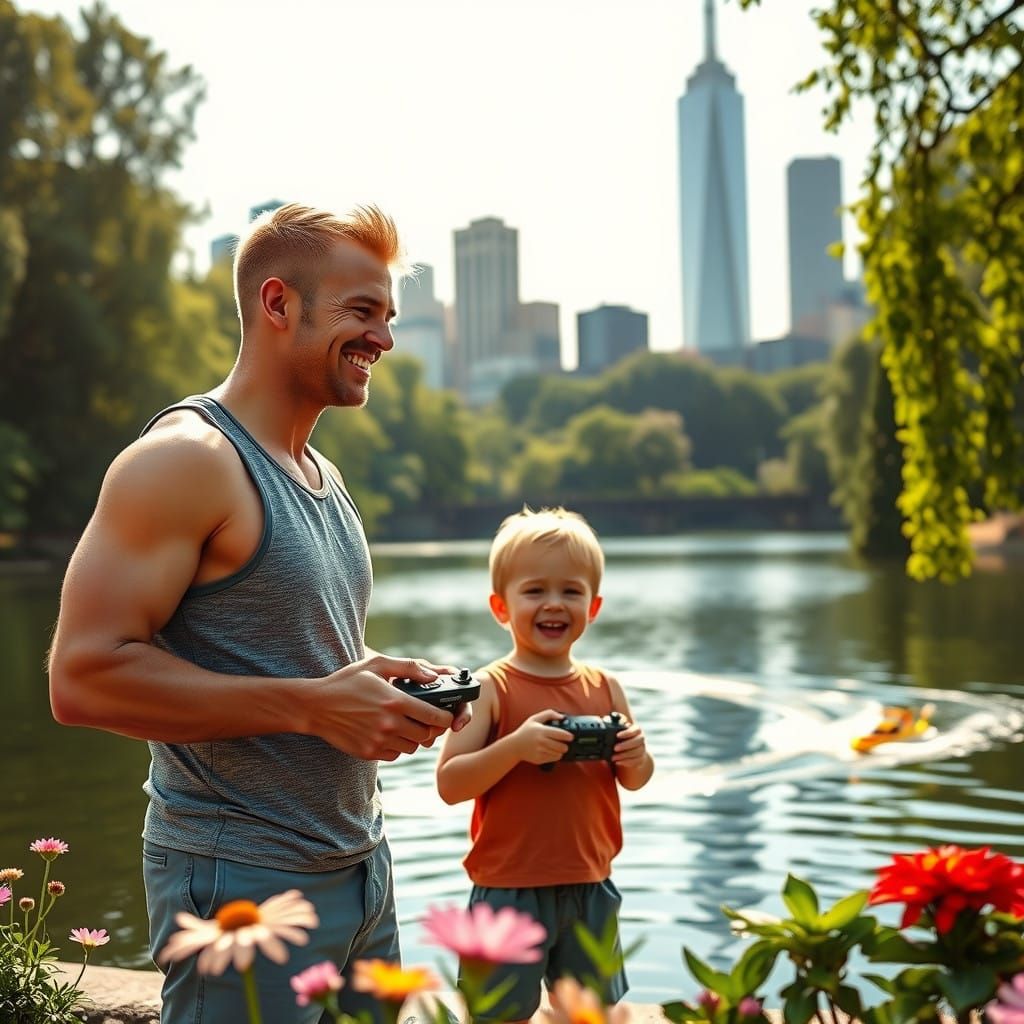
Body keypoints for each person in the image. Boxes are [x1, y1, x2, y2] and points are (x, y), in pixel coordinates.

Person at [47, 202, 471, 1024]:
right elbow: (82, 677)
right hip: (242, 887)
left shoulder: (321, 474)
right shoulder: (185, 461)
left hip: (359, 873)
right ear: (278, 305)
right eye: (361, 313)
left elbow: (284, 655)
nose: (383, 338)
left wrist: (371, 681)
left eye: (388, 316)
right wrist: (316, 706)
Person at [436, 506, 654, 1023]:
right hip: (508, 884)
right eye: (534, 591)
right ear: (500, 606)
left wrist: (637, 755)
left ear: (593, 606)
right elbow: (449, 784)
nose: (554, 604)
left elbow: (635, 779)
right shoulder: (492, 687)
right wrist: (515, 747)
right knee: (499, 1012)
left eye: (571, 591)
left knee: (589, 1012)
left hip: (589, 882)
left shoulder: (605, 687)